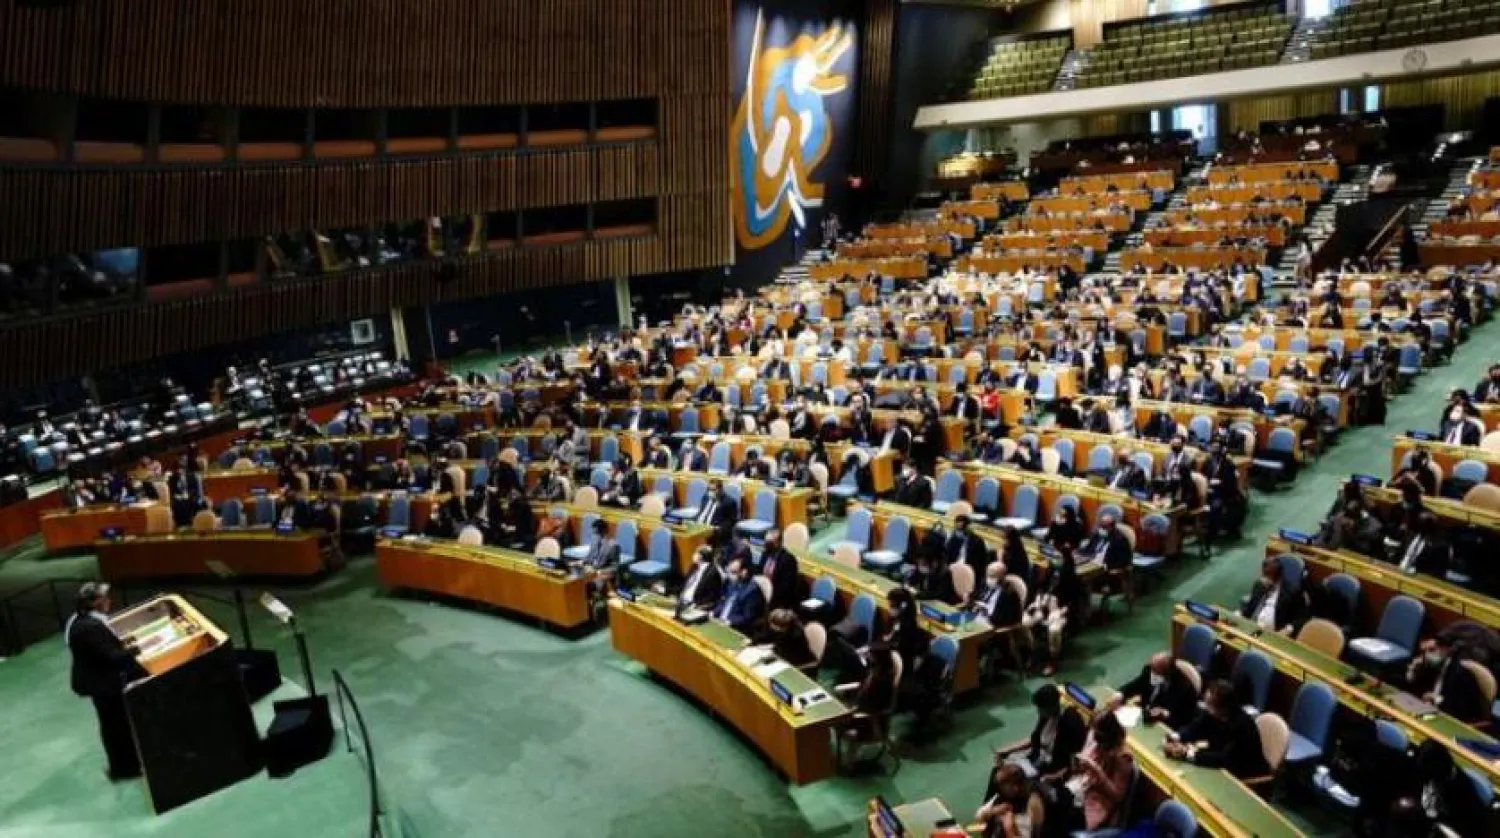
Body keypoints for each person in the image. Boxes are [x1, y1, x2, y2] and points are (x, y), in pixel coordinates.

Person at [67, 582, 148, 781]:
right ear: (95, 602)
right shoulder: (89, 627)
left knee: (114, 724)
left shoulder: (84, 621)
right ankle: (124, 769)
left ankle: (126, 766)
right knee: (115, 726)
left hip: (102, 680)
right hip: (101, 684)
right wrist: (136, 650)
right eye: (104, 597)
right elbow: (111, 656)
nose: (109, 600)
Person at [1044, 711, 1135, 834]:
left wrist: (1096, 770)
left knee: (1058, 807)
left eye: (1098, 734)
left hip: (1098, 803)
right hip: (1083, 789)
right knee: (1050, 801)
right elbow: (1082, 769)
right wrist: (1079, 765)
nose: (1095, 738)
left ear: (1109, 733)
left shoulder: (1123, 757)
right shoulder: (1098, 742)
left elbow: (1117, 795)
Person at [1165, 678, 1269, 780]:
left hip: (1242, 775)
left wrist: (1187, 753)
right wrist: (1176, 736)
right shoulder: (1212, 713)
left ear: (1224, 708)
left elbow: (1225, 759)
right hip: (1219, 764)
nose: (1206, 708)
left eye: (1209, 705)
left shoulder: (1242, 727)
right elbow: (1195, 727)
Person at [1405, 634, 1487, 724]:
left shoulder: (1461, 675)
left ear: (1446, 650)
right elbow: (1416, 691)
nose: (1427, 655)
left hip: (1453, 721)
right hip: (1429, 714)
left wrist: (1437, 699)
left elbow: (1458, 710)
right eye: (1424, 651)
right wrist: (1412, 672)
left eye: (1432, 650)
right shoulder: (1429, 666)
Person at [1106, 652, 1199, 729]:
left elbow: (1182, 720)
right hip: (1141, 717)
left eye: (1155, 671)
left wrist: (1164, 715)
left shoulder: (1184, 689)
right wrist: (1120, 694)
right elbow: (1135, 685)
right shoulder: (1149, 670)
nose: (1151, 672)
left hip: (1165, 726)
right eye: (1151, 667)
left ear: (1167, 674)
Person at [976, 762, 1046, 838]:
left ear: (1015, 787)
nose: (1001, 790)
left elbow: (1035, 833)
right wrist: (995, 811)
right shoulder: (1003, 797)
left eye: (1004, 787)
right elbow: (979, 816)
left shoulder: (1033, 801)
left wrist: (1010, 831)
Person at [1239, 556, 1307, 634]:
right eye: (1263, 575)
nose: (1263, 580)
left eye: (1267, 577)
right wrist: (1240, 613)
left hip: (1274, 633)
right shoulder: (1259, 585)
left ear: (1279, 579)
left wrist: (1288, 629)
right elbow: (1249, 608)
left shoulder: (1292, 591)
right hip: (1251, 628)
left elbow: (1302, 617)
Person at [713, 557, 765, 634]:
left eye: (734, 572)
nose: (730, 575)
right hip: (718, 621)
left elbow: (747, 617)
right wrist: (714, 612)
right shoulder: (732, 582)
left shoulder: (752, 591)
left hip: (733, 628)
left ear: (744, 572)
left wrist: (729, 622)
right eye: (729, 571)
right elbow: (723, 601)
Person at [758, 529, 802, 612]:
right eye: (766, 541)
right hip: (761, 594)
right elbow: (758, 572)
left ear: (778, 543)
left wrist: (767, 593)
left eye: (769, 542)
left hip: (778, 600)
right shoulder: (765, 553)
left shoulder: (788, 560)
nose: (766, 544)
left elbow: (786, 588)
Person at [678, 546, 724, 611]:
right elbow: (684, 584)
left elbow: (712, 597)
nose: (693, 555)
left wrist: (696, 605)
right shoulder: (694, 566)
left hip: (695, 606)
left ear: (700, 556)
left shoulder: (713, 573)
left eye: (695, 553)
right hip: (681, 601)